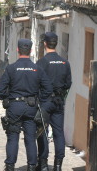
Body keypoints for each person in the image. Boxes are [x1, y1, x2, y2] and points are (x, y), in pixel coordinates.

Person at [0, 39, 52, 171]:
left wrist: (7, 98)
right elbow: (48, 89)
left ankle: (10, 166)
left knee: (12, 137)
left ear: (17, 50)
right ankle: (31, 166)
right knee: (30, 138)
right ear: (31, 51)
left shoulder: (11, 68)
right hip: (31, 107)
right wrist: (39, 100)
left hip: (14, 106)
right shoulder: (37, 69)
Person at [36, 32, 72, 171]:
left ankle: (43, 164)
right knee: (58, 133)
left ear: (45, 44)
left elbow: (36, 82)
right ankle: (58, 166)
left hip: (45, 101)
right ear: (55, 43)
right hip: (58, 101)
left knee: (43, 132)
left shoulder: (41, 63)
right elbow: (68, 83)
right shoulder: (65, 62)